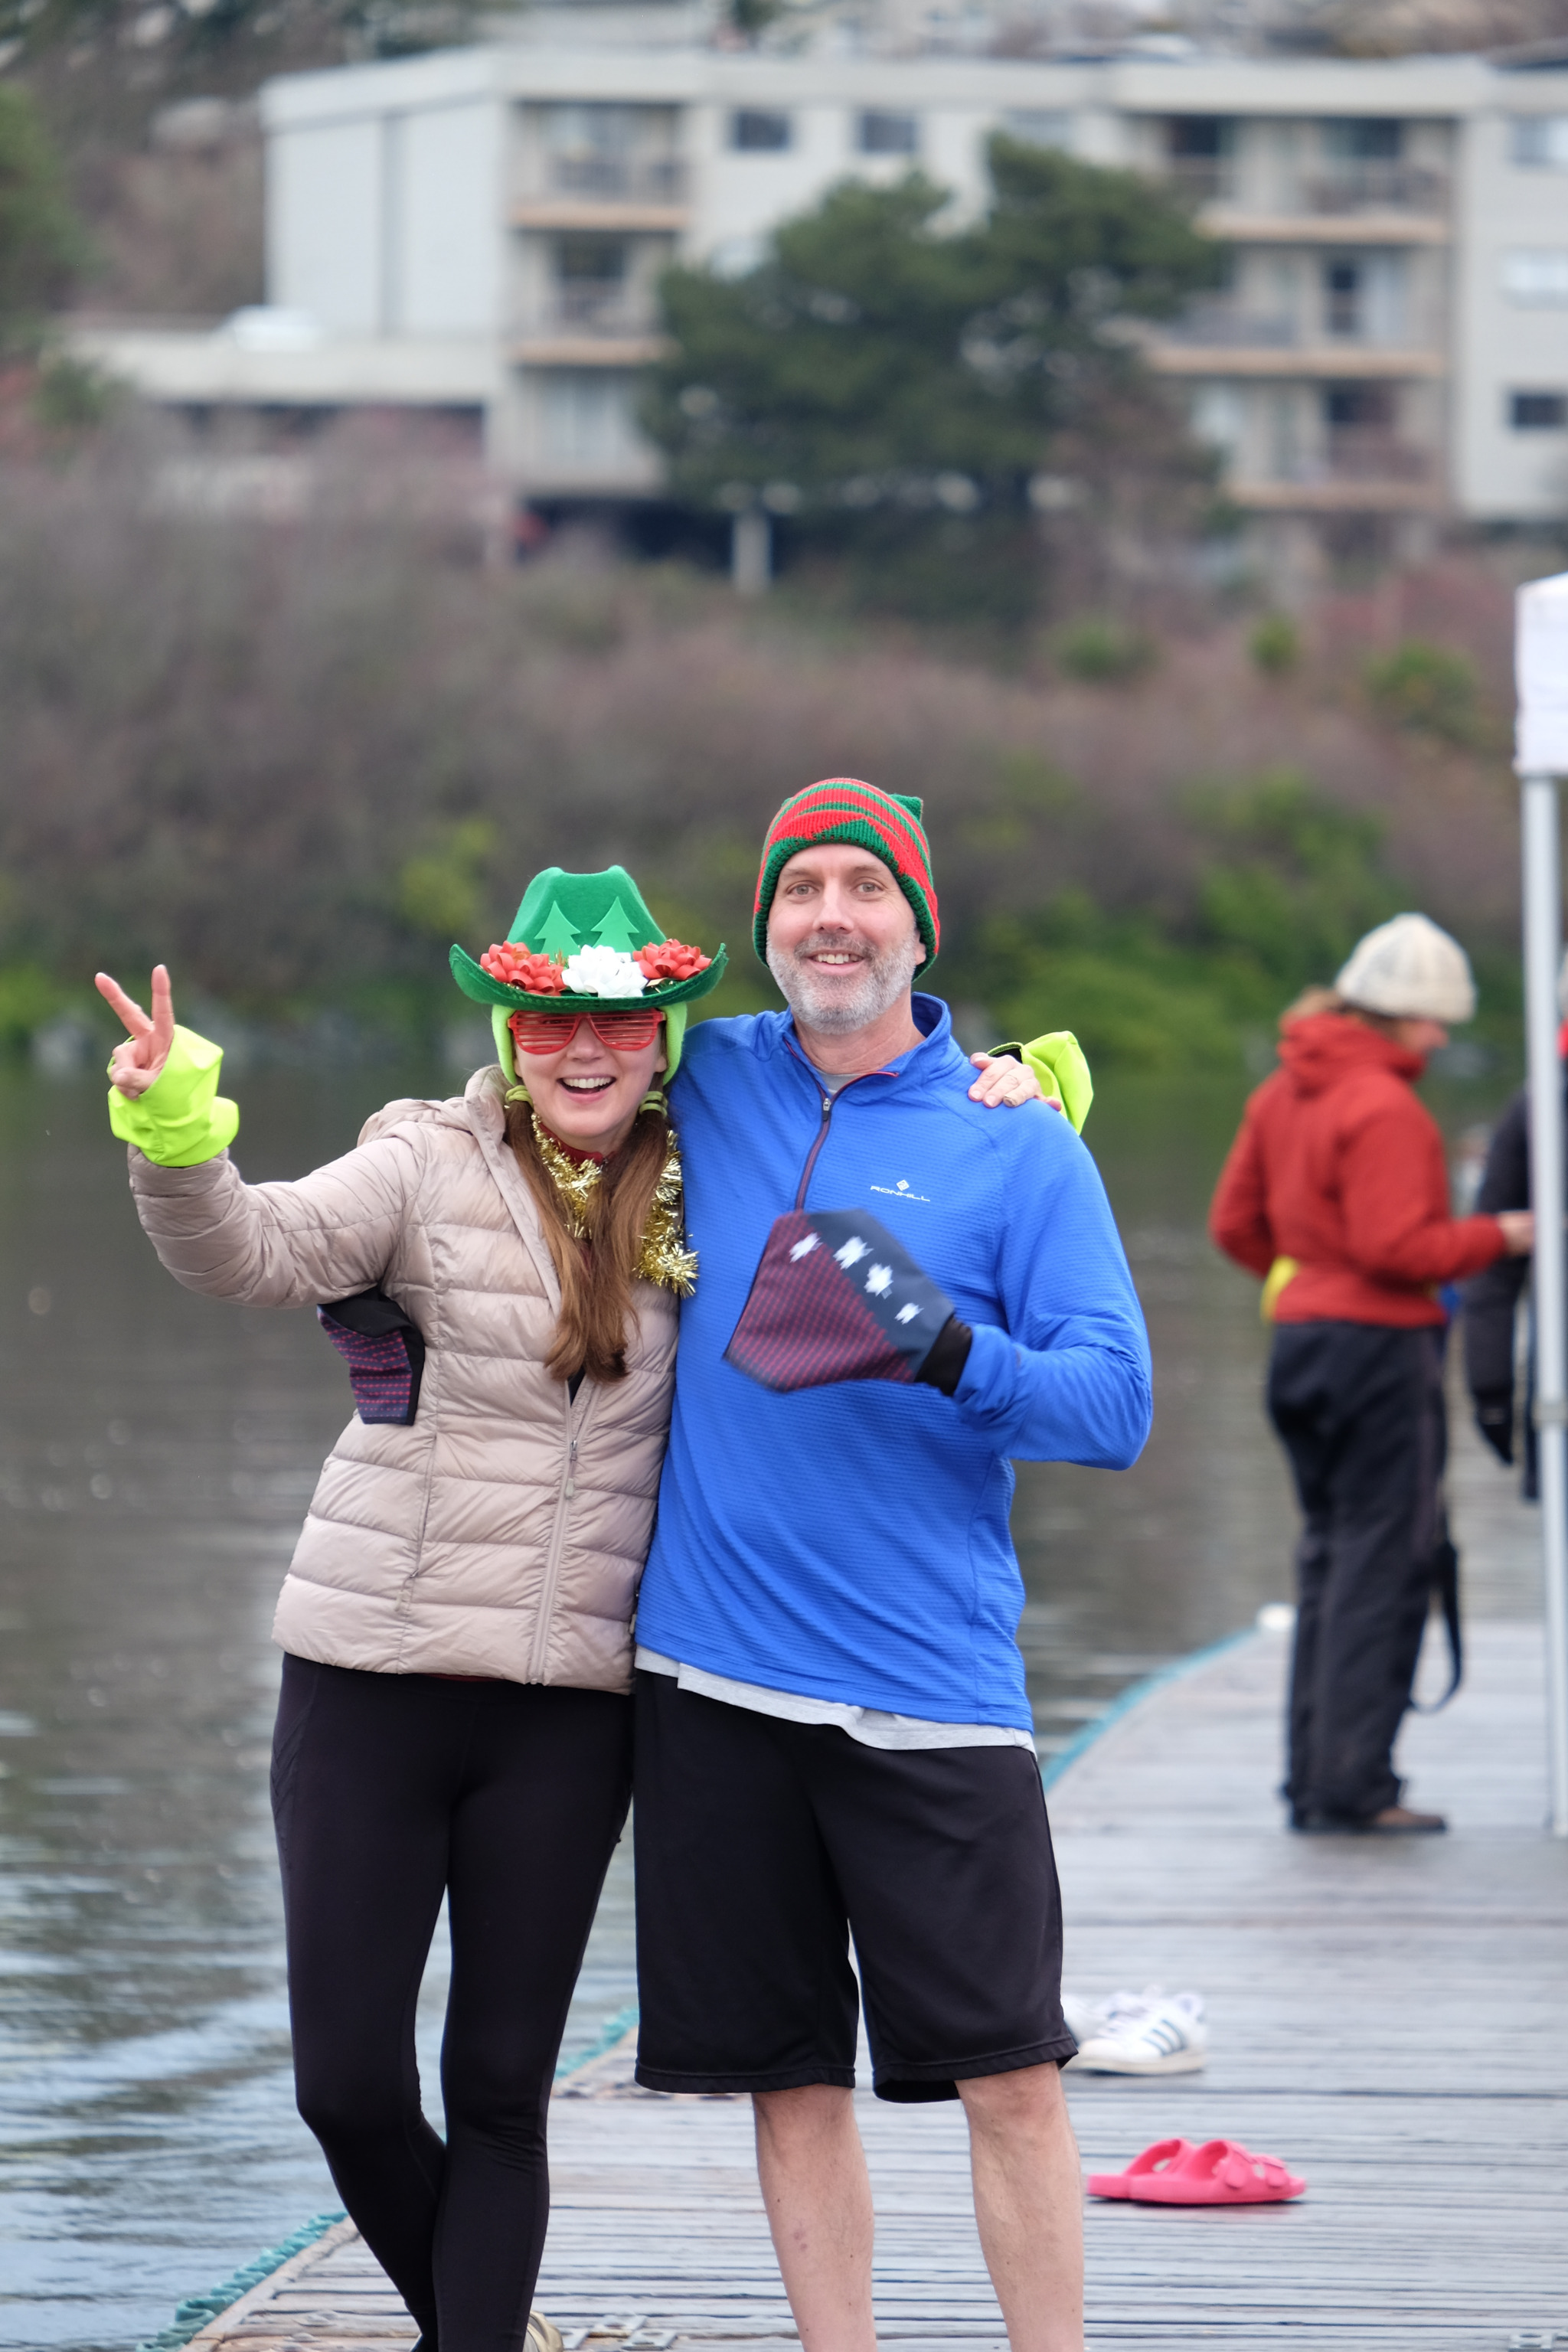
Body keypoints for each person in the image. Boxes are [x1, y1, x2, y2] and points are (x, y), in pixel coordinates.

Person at [96, 857, 1049, 2352]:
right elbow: (255, 1250)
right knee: (343, 2084)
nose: (585, 1055)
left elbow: (875, 1121)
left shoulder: (715, 1176)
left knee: (498, 2091)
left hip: (570, 1714)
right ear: (506, 1040)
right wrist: (173, 1133)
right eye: (549, 1031)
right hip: (370, 1681)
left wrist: (1017, 1076)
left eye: (616, 1032)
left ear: (663, 1043)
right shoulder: (419, 1158)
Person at [624, 779, 1154, 2352]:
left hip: (931, 1691)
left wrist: (939, 1347)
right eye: (803, 892)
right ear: (763, 930)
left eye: (866, 888)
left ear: (919, 928)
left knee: (1008, 2077)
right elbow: (551, 1063)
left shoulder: (1020, 1145)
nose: (832, 916)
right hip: (712, 1683)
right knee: (789, 2081)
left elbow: (1112, 1408)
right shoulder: (705, 1076)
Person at [1209, 913, 1534, 1838]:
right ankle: (1354, 1787)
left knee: (1326, 1558)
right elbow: (1401, 1248)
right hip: (1380, 1354)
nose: (1440, 1039)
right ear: (1396, 1016)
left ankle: (1311, 1779)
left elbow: (1234, 1229)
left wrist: (1309, 1273)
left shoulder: (1281, 1092)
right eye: (1433, 1021)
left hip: (1300, 1348)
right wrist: (1502, 1234)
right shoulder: (1385, 1107)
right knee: (1381, 1567)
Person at [1462, 950, 1568, 1491]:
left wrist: (1491, 1392)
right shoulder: (1538, 1109)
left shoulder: (1534, 1105)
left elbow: (1490, 1277)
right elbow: (1492, 1265)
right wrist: (1493, 1391)